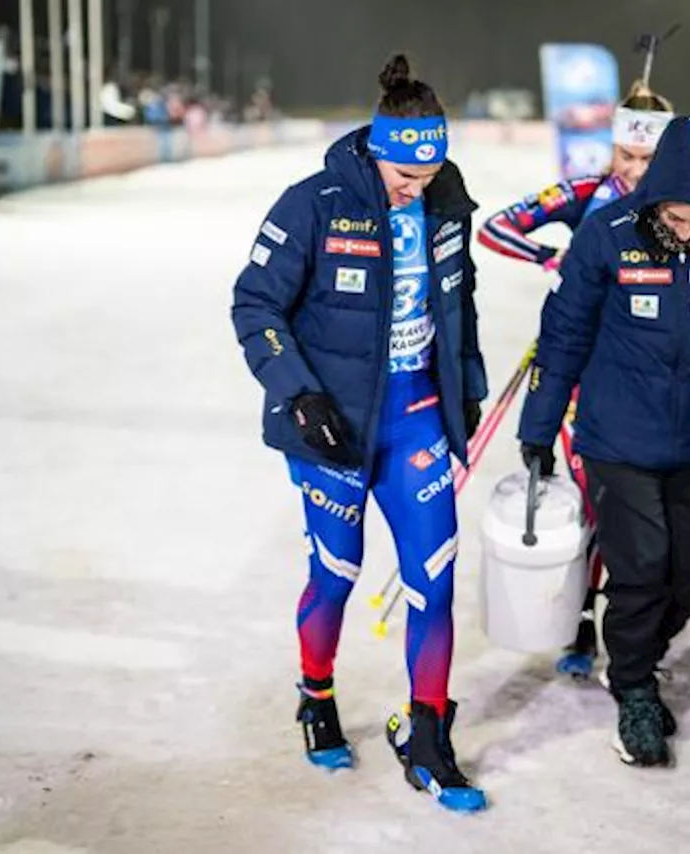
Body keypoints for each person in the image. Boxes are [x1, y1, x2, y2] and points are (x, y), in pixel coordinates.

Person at [230, 54, 489, 813]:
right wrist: (300, 396)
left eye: (430, 173)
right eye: (405, 177)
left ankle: (430, 733)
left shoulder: (447, 203)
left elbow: (458, 308)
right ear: (377, 150)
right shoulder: (312, 203)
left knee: (434, 581)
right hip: (334, 428)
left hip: (414, 421)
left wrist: (464, 395)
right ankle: (316, 695)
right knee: (336, 575)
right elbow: (254, 306)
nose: (418, 189)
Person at [517, 114, 690, 767]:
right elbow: (562, 337)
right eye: (678, 218)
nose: (688, 231)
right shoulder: (605, 237)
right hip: (617, 434)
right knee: (640, 570)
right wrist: (538, 428)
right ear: (657, 194)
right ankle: (635, 686)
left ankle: (638, 652)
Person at [477, 80, 675, 680]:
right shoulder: (585, 192)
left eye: (649, 159)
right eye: (627, 156)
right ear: (612, 149)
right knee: (596, 499)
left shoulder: (683, 204)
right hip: (582, 374)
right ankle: (583, 615)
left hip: (653, 380)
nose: (636, 171)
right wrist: (553, 259)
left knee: (649, 508)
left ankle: (639, 615)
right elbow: (497, 227)